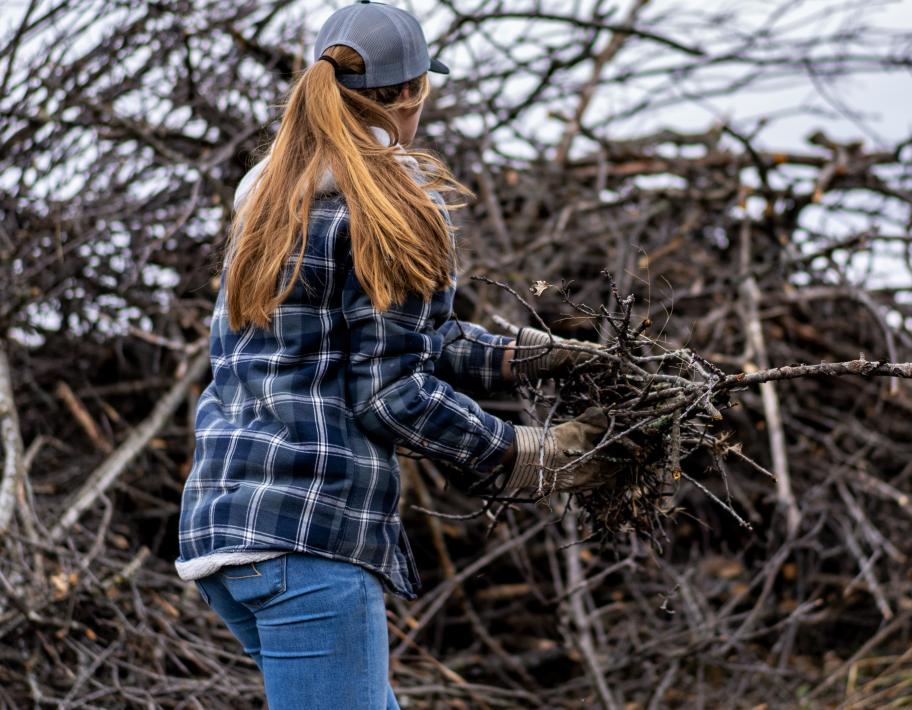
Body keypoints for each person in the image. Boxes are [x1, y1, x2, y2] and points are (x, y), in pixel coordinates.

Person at [175, 3, 612, 708]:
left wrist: (526, 358)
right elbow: (390, 396)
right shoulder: (389, 206)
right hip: (309, 541)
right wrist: (530, 454)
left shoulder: (268, 203)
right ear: (409, 95)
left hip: (224, 530)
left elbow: (398, 345)